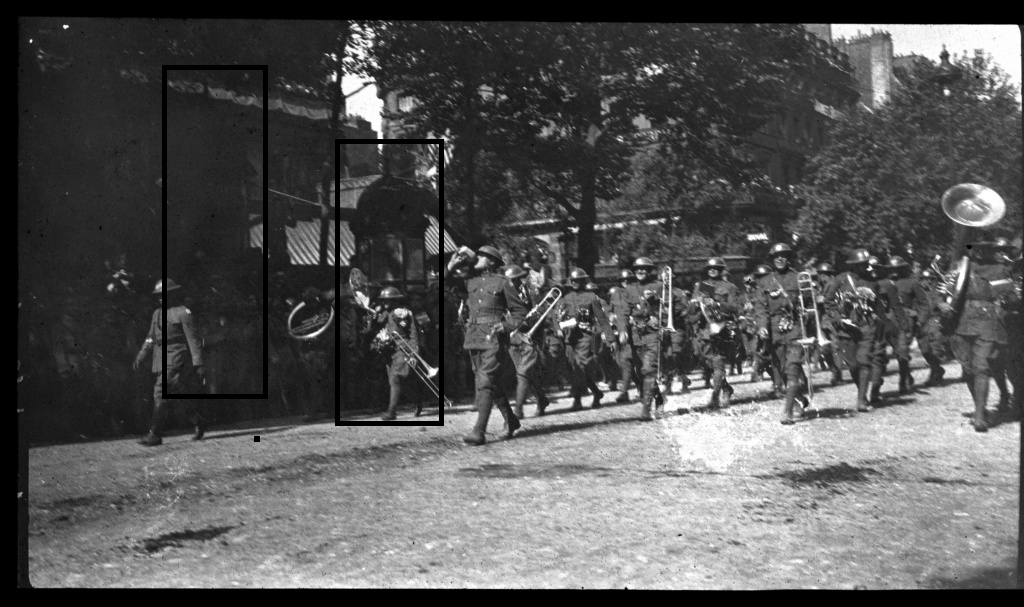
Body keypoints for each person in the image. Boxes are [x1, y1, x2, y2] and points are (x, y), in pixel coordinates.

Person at [445, 246, 527, 445]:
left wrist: (506, 326)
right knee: (491, 384)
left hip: (493, 338)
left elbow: (520, 313)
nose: (477, 258)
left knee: (485, 382)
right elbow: (445, 285)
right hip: (474, 337)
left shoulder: (503, 282)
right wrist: (451, 266)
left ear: (491, 261)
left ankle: (478, 431)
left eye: (481, 256)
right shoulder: (469, 280)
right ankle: (511, 420)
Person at [945, 238, 1017, 432]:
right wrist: (941, 304)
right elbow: (942, 293)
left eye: (983, 250)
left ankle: (979, 415)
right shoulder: (959, 268)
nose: (978, 253)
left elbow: (1010, 296)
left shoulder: (999, 270)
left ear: (988, 251)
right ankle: (980, 406)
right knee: (968, 368)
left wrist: (1006, 298)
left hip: (988, 323)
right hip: (961, 323)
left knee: (981, 367)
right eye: (975, 249)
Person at [133, 279, 207, 447]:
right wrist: (141, 355)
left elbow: (193, 339)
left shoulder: (183, 313)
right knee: (178, 395)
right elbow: (151, 337)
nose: (160, 299)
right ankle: (198, 420)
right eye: (158, 296)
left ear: (173, 295)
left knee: (161, 392)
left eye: (164, 295)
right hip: (161, 359)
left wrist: (199, 363)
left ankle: (155, 435)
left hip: (177, 358)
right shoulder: (156, 314)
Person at [754, 244, 811, 424]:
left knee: (792, 369)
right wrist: (761, 326)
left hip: (795, 329)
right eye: (776, 256)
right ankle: (799, 399)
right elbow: (761, 308)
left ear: (789, 258)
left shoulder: (799, 278)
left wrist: (806, 313)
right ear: (772, 259)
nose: (780, 259)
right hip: (774, 332)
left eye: (784, 256)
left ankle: (787, 413)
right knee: (782, 370)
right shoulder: (765, 282)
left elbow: (810, 304)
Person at [824, 248, 885, 414]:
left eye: (866, 264)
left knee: (864, 361)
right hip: (845, 329)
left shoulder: (872, 281)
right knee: (852, 365)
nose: (866, 267)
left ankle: (861, 401)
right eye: (861, 264)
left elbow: (878, 304)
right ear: (853, 265)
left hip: (866, 326)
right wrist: (838, 319)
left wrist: (879, 320)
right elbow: (828, 303)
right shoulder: (839, 281)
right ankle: (862, 394)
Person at [688, 257, 742, 411]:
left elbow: (735, 308)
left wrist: (717, 303)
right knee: (709, 365)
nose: (713, 271)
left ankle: (714, 398)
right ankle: (726, 388)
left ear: (721, 270)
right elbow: (692, 312)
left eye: (716, 268)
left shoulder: (730, 287)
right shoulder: (701, 286)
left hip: (721, 329)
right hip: (705, 330)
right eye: (710, 268)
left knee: (718, 364)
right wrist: (694, 304)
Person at [557, 269, 613, 411]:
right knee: (577, 369)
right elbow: (557, 316)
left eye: (578, 280)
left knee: (579, 367)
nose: (575, 283)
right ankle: (597, 392)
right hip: (570, 338)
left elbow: (602, 318)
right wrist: (558, 327)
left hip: (585, 336)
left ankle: (577, 401)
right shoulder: (566, 298)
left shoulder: (591, 298)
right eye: (573, 280)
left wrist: (610, 337)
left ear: (584, 281)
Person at [505, 264, 552, 418]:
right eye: (510, 280)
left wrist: (528, 322)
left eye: (515, 280)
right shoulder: (503, 293)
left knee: (523, 373)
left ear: (520, 279)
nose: (512, 283)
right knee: (525, 373)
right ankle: (542, 398)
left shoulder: (532, 292)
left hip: (530, 336)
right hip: (512, 337)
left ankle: (518, 409)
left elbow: (541, 313)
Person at [375, 287, 423, 421]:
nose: (384, 303)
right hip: (389, 351)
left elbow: (413, 334)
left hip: (403, 350)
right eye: (383, 300)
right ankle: (417, 400)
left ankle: (391, 412)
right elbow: (374, 324)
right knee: (397, 382)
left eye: (387, 300)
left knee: (395, 379)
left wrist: (414, 354)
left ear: (395, 300)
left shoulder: (405, 313)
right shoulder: (384, 313)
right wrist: (373, 313)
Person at [885, 256, 927, 394]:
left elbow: (924, 303)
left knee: (902, 350)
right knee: (897, 351)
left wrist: (920, 321)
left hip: (906, 319)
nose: (894, 272)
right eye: (892, 269)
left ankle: (903, 382)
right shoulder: (886, 283)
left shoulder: (912, 283)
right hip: (890, 319)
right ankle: (907, 375)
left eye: (897, 269)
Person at [610, 267, 643, 404]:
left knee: (638, 362)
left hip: (637, 331)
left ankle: (629, 390)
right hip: (622, 332)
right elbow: (613, 311)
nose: (625, 282)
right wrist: (613, 319)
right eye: (623, 280)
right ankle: (627, 390)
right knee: (624, 361)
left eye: (628, 280)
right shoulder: (617, 293)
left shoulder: (637, 291)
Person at [814, 262, 843, 386]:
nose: (819, 277)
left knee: (835, 347)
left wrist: (822, 300)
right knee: (825, 349)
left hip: (832, 319)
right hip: (824, 320)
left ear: (826, 274)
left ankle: (837, 375)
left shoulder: (833, 283)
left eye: (821, 275)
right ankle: (834, 371)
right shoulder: (824, 285)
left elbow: (833, 300)